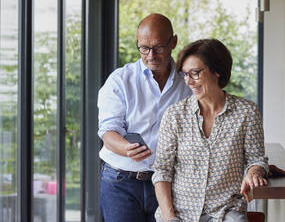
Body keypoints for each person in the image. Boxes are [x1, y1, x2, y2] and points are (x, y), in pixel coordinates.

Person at [152, 39, 269, 222]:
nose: (188, 81)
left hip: (226, 212)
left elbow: (256, 159)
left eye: (195, 73)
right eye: (185, 74)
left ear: (217, 71)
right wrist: (169, 218)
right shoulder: (175, 115)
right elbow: (162, 171)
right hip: (180, 213)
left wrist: (254, 171)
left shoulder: (247, 112)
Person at [97, 14, 192, 222]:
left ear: (173, 42)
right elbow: (108, 131)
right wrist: (126, 148)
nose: (151, 55)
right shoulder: (120, 80)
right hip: (121, 182)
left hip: (170, 184)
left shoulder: (188, 83)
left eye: (158, 47)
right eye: (144, 48)